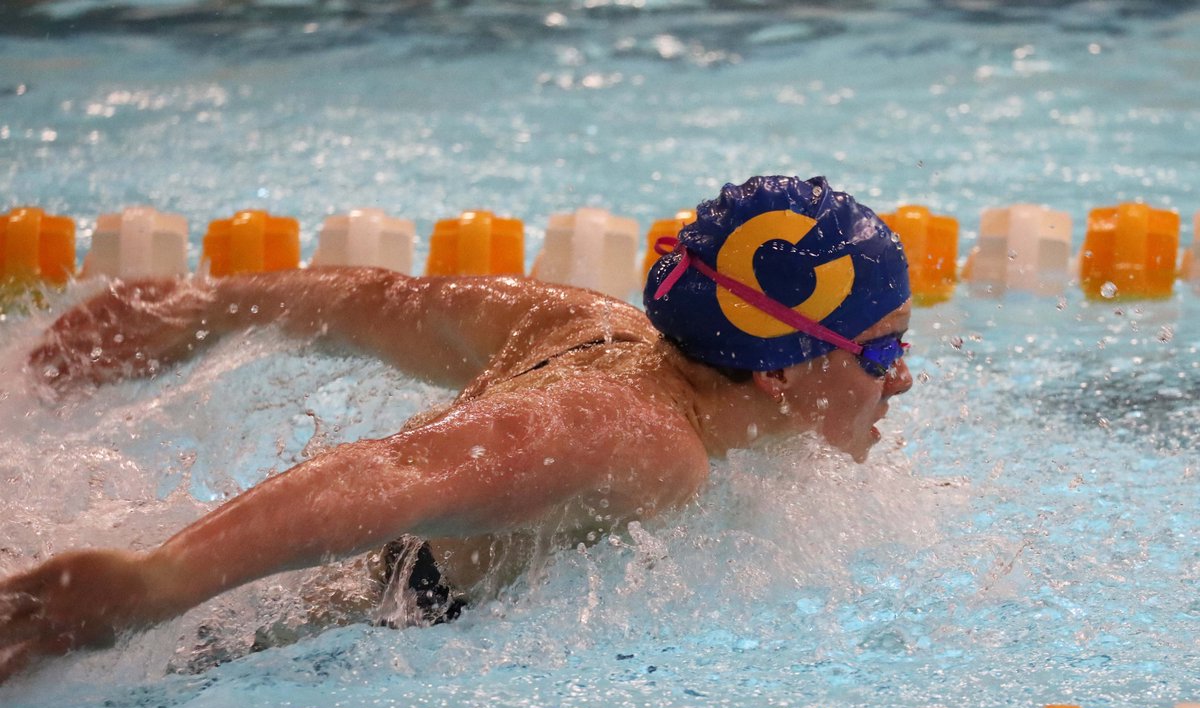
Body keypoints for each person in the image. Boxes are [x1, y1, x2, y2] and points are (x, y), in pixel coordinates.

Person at [0, 175, 913, 680]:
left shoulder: (593, 327)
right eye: (881, 352)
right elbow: (395, 475)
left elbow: (384, 299)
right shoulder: (640, 437)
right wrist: (164, 581)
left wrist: (200, 306)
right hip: (297, 632)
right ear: (785, 368)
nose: (902, 379)